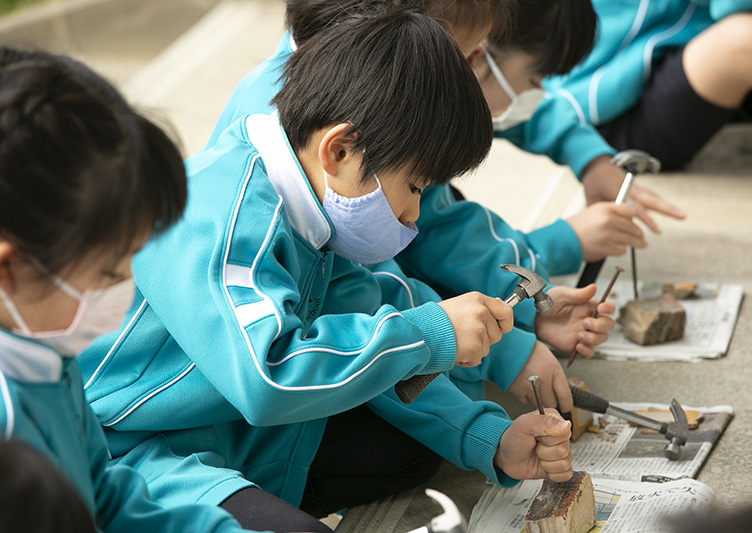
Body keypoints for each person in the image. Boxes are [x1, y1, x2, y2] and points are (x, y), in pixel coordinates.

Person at [79, 11, 573, 532]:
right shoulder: (218, 213)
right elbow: (268, 378)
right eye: (414, 187)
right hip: (129, 455)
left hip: (226, 434)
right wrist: (428, 333)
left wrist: (491, 439)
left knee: (406, 449)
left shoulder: (315, 219)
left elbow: (377, 337)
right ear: (339, 149)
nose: (414, 217)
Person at [205, 0, 619, 411]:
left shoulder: (365, 102)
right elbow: (341, 315)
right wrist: (483, 346)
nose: (471, 72)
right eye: (463, 56)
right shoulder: (266, 176)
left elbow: (394, 262)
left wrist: (512, 322)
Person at [0, 47, 258, 532]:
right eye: (107, 274)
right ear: (7, 270)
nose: (124, 292)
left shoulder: (47, 355)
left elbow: (103, 493)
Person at [483, 0, 752, 231]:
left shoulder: (483, 83)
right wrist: (561, 244)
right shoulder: (467, 101)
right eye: (536, 83)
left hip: (638, 76)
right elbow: (459, 242)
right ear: (475, 57)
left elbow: (535, 111)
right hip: (611, 103)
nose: (538, 95)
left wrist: (592, 160)